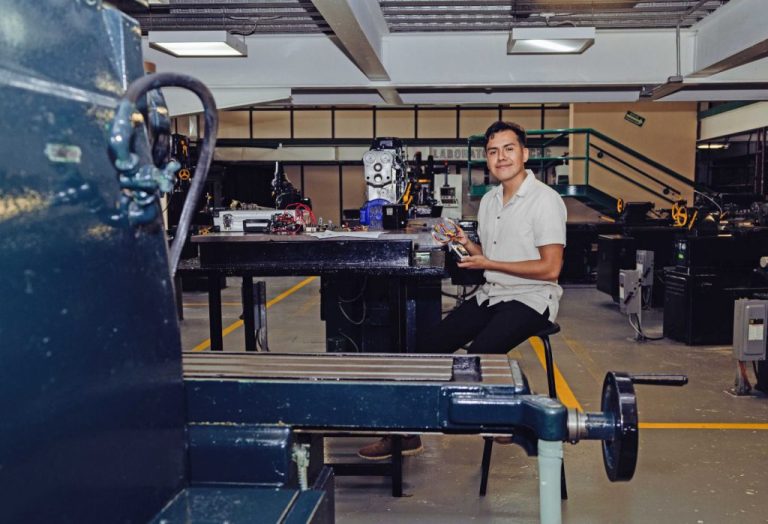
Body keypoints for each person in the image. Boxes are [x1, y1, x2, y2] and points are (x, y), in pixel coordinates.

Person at [358, 121, 567, 461]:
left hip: (532, 297)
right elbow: (491, 254)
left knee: (478, 356)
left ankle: (512, 415)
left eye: (509, 149)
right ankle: (405, 435)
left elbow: (551, 268)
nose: (501, 157)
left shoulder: (545, 200)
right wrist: (466, 243)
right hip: (493, 293)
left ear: (525, 154)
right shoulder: (490, 201)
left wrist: (488, 262)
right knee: (425, 348)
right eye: (493, 151)